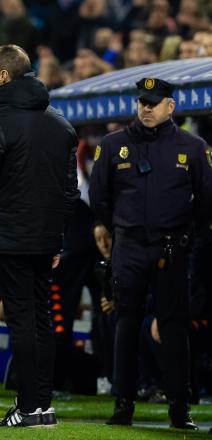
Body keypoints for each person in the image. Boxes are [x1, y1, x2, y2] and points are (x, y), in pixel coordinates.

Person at [0, 44, 79, 427]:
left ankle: (28, 406)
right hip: (47, 238)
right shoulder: (61, 124)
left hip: (12, 237)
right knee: (42, 317)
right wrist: (56, 237)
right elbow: (70, 192)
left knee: (21, 319)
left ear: (1, 77)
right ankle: (42, 405)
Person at [90, 77, 212, 430]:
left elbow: (206, 201)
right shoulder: (114, 145)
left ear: (170, 107)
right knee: (125, 323)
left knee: (174, 327)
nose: (146, 107)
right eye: (142, 101)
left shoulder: (192, 147)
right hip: (128, 245)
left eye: (154, 102)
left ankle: (179, 406)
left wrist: (188, 234)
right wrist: (115, 227)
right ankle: (123, 403)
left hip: (172, 247)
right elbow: (98, 196)